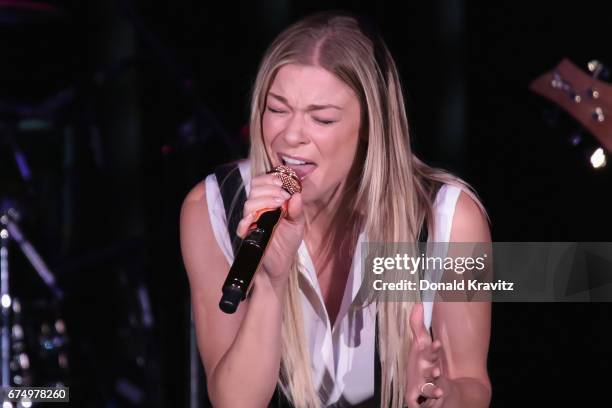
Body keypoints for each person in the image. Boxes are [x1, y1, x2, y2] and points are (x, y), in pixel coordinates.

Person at [180, 11, 491, 408]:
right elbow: (235, 402)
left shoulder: (447, 219)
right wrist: (271, 286)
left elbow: (472, 383)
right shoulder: (216, 207)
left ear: (369, 129)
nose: (290, 136)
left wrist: (438, 396)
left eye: (321, 118)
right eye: (277, 109)